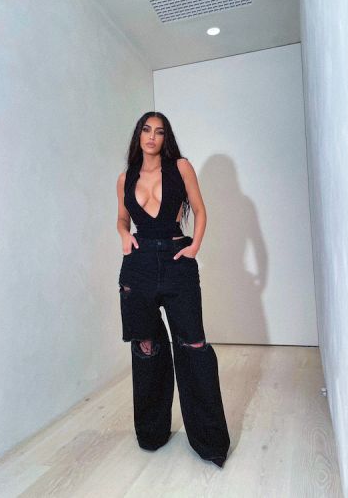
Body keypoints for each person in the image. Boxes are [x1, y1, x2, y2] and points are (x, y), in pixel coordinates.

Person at [116, 111, 230, 467]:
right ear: (139, 136)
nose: (152, 136)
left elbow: (200, 210)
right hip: (138, 267)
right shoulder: (125, 178)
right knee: (146, 348)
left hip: (177, 261)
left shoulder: (181, 167)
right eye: (146, 130)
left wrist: (194, 246)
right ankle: (152, 434)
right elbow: (122, 217)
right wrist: (123, 233)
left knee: (193, 345)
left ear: (166, 138)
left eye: (160, 131)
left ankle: (210, 442)